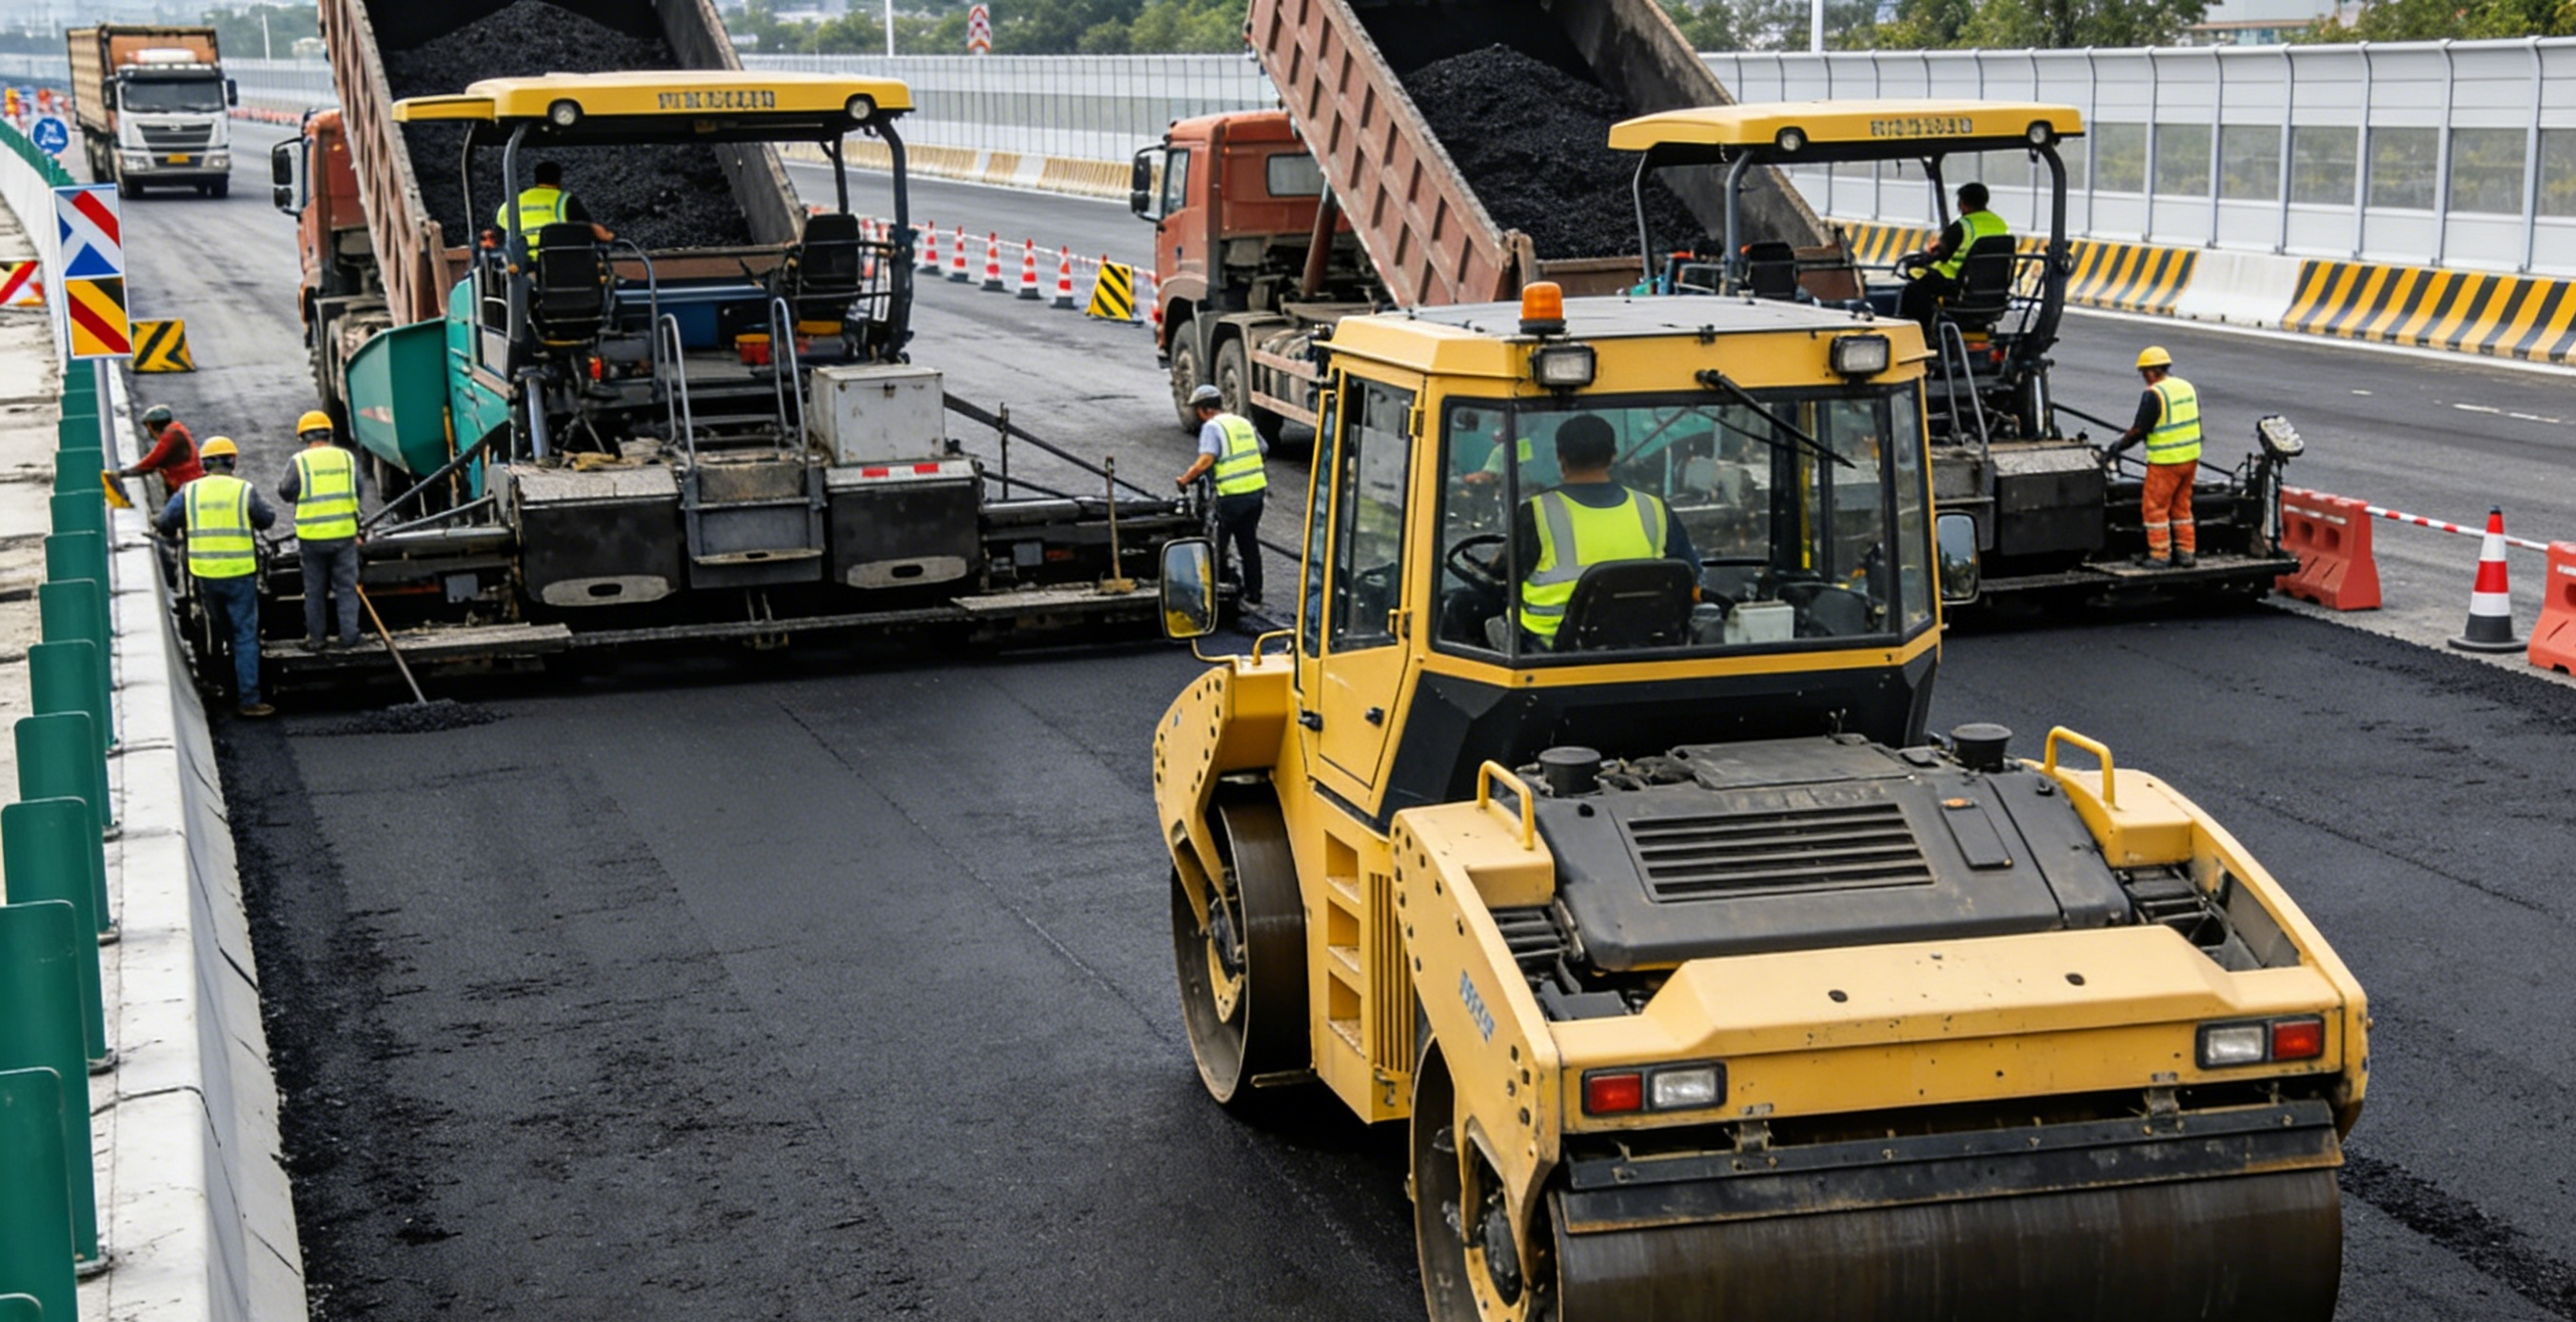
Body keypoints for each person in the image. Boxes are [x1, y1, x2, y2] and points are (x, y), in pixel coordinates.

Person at [1512, 414, 1699, 648]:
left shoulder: (1537, 513)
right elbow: (1690, 573)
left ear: (1561, 457)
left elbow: (1506, 575)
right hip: (1644, 643)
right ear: (1613, 456)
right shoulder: (1654, 509)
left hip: (1551, 648)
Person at [155, 438, 278, 718]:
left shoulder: (190, 492)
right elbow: (267, 519)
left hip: (206, 575)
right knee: (245, 635)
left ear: (204, 463)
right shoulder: (243, 490)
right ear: (232, 462)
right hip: (240, 574)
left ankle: (218, 685)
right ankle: (248, 699)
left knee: (214, 631)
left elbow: (165, 522)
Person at [2105, 345, 2202, 569]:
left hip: (2166, 462)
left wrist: (2118, 446)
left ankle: (2160, 555)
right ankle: (2186, 553)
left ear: (2150, 371)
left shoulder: (2154, 394)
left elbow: (2140, 429)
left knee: (2155, 508)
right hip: (2190, 458)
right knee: (2181, 507)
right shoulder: (2186, 387)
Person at [1174, 384, 1269, 610]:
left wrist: (1186, 479)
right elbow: (1263, 449)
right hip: (1256, 493)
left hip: (1232, 497)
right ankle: (1254, 594)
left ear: (1204, 410)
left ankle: (1215, 594)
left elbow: (1206, 460)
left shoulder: (1212, 427)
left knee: (1217, 543)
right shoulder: (1242, 422)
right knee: (1248, 543)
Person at [277, 410, 364, 651]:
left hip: (312, 537)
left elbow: (285, 491)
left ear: (303, 436)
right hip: (344, 535)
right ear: (329, 434)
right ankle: (350, 636)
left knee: (314, 591)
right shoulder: (346, 458)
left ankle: (316, 639)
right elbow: (358, 489)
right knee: (346, 588)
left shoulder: (300, 461)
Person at [1897, 182, 2009, 332]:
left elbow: (1940, 254)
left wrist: (1919, 260)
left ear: (1962, 203)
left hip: (1957, 285)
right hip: (1992, 289)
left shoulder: (1962, 226)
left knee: (1913, 291)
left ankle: (1921, 336)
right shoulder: (2000, 224)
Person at [493, 160, 614, 260]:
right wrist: (607, 236)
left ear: (536, 179)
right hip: (557, 262)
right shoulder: (566, 201)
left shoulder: (509, 205)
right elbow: (585, 229)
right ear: (559, 179)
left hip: (520, 262)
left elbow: (498, 238)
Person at [121, 404, 205, 500]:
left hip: (185, 490)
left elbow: (150, 463)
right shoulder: (178, 429)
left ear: (151, 426)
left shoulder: (171, 437)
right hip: (189, 485)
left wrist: (122, 474)